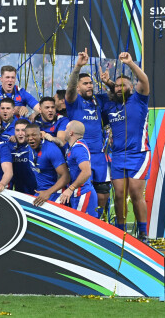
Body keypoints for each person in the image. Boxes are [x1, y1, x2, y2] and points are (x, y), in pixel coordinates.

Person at [100, 52, 151, 242]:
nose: (120, 88)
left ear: (132, 88)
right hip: (118, 156)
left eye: (124, 85)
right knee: (119, 195)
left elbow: (143, 80)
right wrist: (110, 84)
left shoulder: (138, 100)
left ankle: (143, 233)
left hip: (138, 154)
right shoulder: (110, 106)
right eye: (117, 85)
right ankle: (120, 232)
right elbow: (115, 91)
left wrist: (130, 63)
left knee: (135, 193)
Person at [65, 48, 111, 218]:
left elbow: (117, 96)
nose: (90, 85)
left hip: (99, 156)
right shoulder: (74, 102)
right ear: (78, 88)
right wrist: (77, 67)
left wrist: (108, 83)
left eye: (91, 83)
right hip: (81, 154)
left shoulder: (99, 100)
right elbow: (69, 91)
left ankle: (101, 224)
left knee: (103, 194)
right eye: (85, 83)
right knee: (81, 194)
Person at [23, 124, 70, 207]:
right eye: (27, 136)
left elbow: (66, 176)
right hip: (40, 192)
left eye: (34, 135)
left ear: (41, 135)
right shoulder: (29, 147)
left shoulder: (51, 149)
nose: (30, 138)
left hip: (56, 193)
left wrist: (48, 192)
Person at [60, 121, 98, 217]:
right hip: (78, 194)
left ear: (70, 132)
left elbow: (86, 172)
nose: (64, 131)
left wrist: (70, 189)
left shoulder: (78, 149)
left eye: (66, 129)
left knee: (85, 229)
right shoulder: (74, 146)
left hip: (83, 194)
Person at [10, 119, 37, 195]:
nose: (20, 133)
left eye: (23, 130)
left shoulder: (35, 147)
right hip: (18, 194)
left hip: (36, 193)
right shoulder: (9, 147)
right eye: (17, 130)